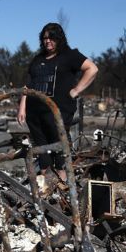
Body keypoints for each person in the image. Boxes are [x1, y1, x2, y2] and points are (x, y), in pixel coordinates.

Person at [17, 22, 98, 181]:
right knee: (41, 149)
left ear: (59, 38)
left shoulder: (69, 55)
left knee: (59, 146)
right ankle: (46, 188)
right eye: (45, 38)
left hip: (58, 111)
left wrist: (76, 90)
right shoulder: (38, 59)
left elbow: (92, 68)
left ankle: (63, 185)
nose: (48, 41)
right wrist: (22, 107)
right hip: (35, 113)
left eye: (51, 38)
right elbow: (28, 84)